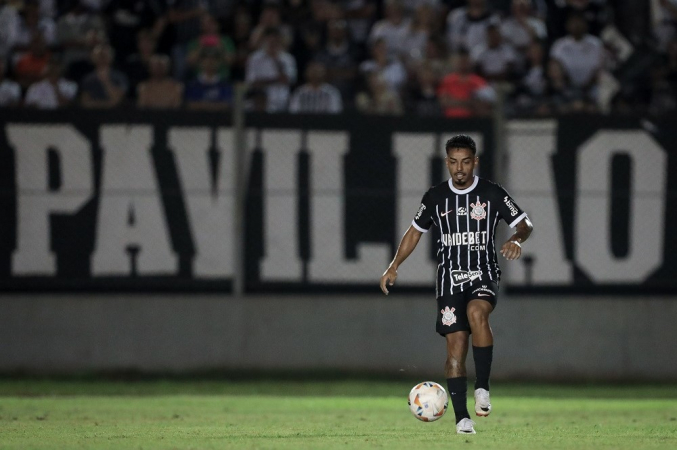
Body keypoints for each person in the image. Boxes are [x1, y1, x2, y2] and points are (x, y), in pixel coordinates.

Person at [380, 134, 533, 435]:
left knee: (478, 313)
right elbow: (414, 233)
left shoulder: (491, 193)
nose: (459, 168)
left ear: (475, 162)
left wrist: (516, 239)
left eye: (465, 162)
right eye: (453, 162)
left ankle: (484, 387)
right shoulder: (435, 197)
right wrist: (393, 265)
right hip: (449, 280)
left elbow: (524, 223)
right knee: (455, 348)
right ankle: (462, 418)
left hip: (483, 273)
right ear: (447, 162)